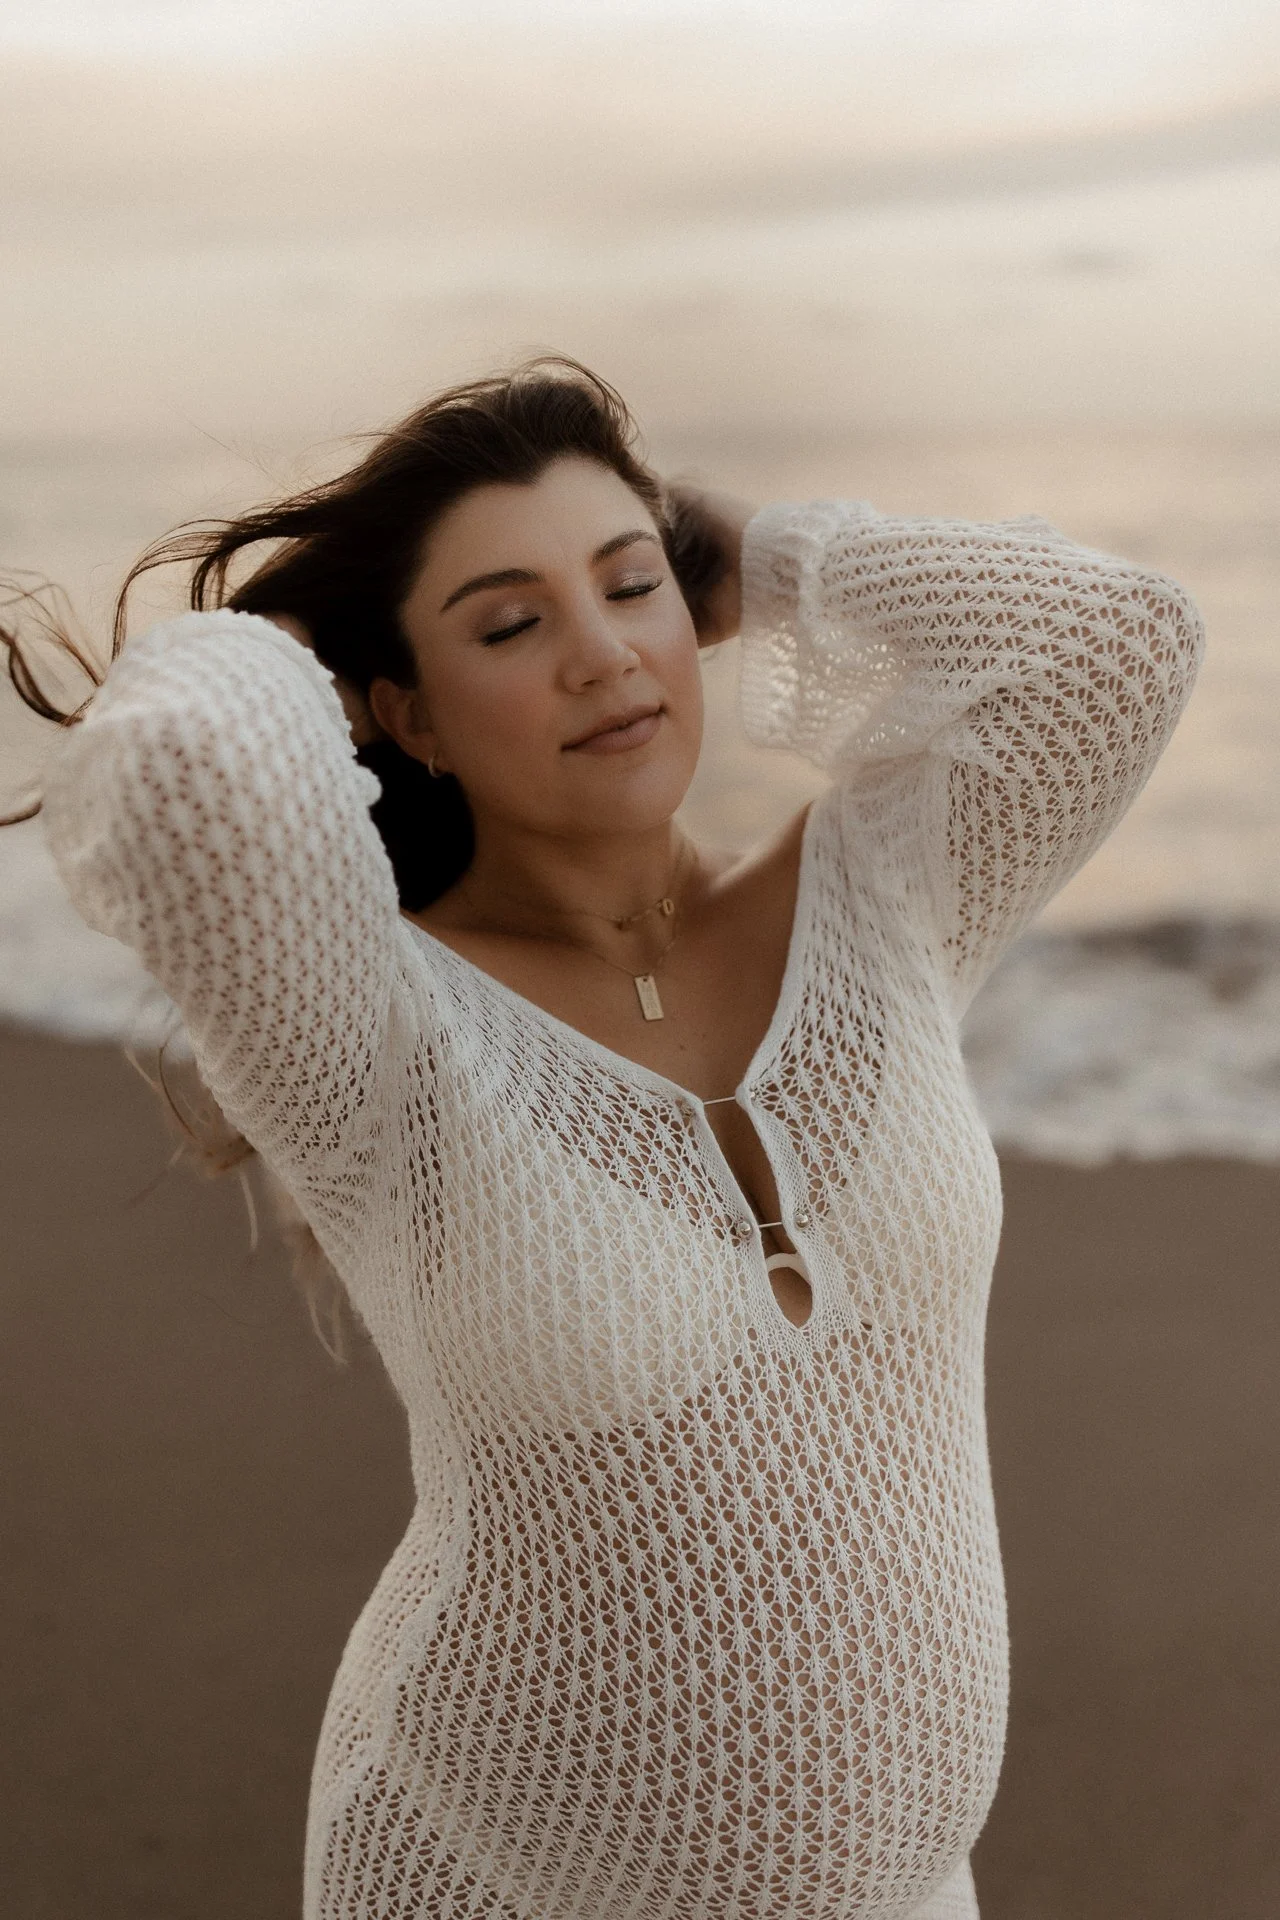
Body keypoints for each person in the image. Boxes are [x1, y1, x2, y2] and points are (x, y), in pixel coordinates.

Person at [13, 358, 1203, 1919]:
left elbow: (1122, 644)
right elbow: (177, 776)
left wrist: (746, 558)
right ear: (402, 712)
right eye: (510, 625)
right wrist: (303, 640)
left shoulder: (887, 898)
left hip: (905, 1888)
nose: (602, 657)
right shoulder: (369, 1034)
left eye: (630, 588)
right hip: (489, 1877)